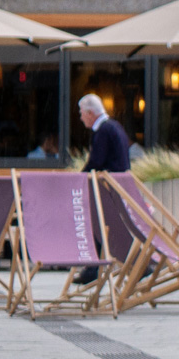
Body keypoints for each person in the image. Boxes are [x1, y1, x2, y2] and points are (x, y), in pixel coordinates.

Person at [75, 94, 130, 286]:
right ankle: (94, 268)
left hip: (108, 189)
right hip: (116, 188)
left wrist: (77, 179)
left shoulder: (104, 131)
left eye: (82, 113)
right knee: (105, 227)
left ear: (90, 114)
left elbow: (96, 162)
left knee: (95, 225)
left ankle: (92, 268)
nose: (81, 118)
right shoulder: (115, 126)